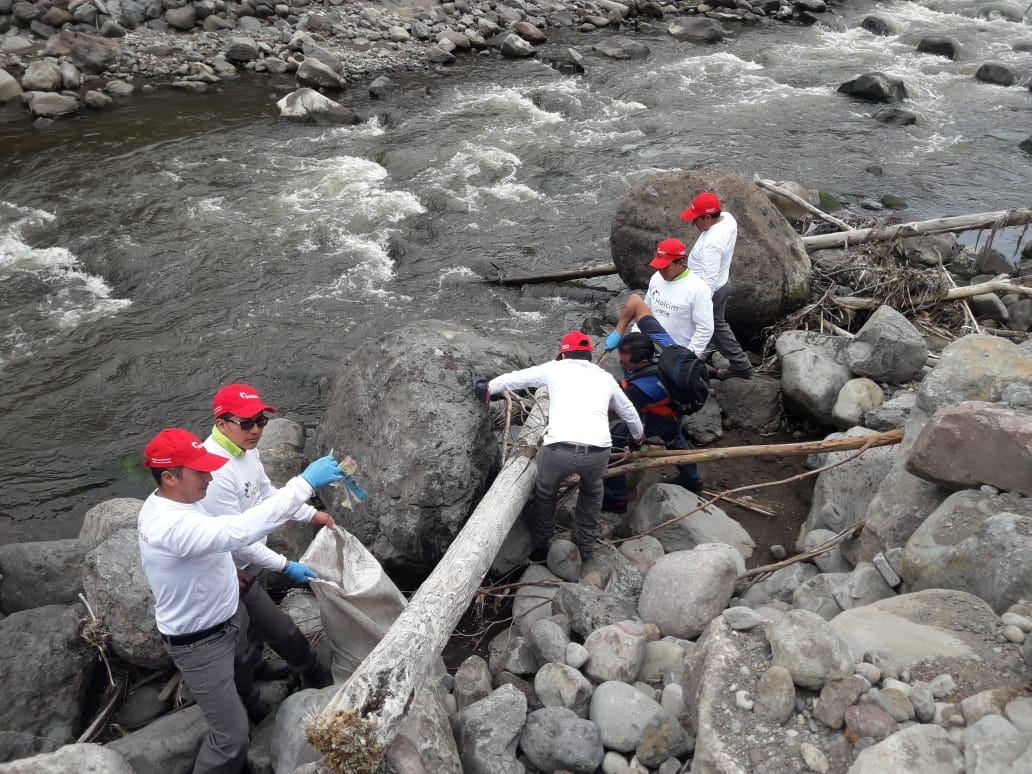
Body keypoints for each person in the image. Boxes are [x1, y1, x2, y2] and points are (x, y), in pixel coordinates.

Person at [138, 428, 344, 774]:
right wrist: (304, 484)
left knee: (247, 664)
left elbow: (221, 538)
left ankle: (255, 709)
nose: (209, 476)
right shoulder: (168, 524)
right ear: (170, 478)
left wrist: (239, 572)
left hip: (227, 615)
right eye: (199, 471)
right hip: (200, 643)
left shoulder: (179, 502)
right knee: (230, 739)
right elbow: (237, 531)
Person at [200, 384, 334, 695]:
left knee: (255, 633)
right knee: (273, 633)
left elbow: (267, 496)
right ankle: (266, 696)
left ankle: (261, 668)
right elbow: (235, 538)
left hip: (252, 560)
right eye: (246, 423)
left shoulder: (247, 450)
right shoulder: (214, 471)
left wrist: (310, 515)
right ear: (221, 424)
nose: (256, 430)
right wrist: (286, 566)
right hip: (228, 572)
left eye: (261, 421)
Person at [474, 331, 643, 561]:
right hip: (597, 452)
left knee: (546, 494)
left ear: (563, 354)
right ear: (589, 356)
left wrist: (487, 388)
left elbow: (517, 378)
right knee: (592, 493)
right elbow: (629, 413)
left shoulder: (554, 368)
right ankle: (585, 547)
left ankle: (541, 544)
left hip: (558, 451)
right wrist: (638, 436)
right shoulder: (605, 377)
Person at [602, 296, 703, 513]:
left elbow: (620, 411)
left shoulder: (642, 388)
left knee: (616, 439)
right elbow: (636, 301)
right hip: (675, 402)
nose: (620, 364)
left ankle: (616, 499)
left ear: (644, 362)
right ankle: (692, 480)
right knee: (674, 438)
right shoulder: (660, 341)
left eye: (625, 363)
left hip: (661, 413)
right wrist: (619, 331)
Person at [680, 191, 753, 379]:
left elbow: (709, 280)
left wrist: (697, 303)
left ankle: (741, 365)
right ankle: (729, 360)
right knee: (714, 326)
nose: (694, 224)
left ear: (706, 218)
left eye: (696, 220)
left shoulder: (712, 244)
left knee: (713, 327)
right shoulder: (728, 219)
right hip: (724, 281)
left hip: (713, 290)